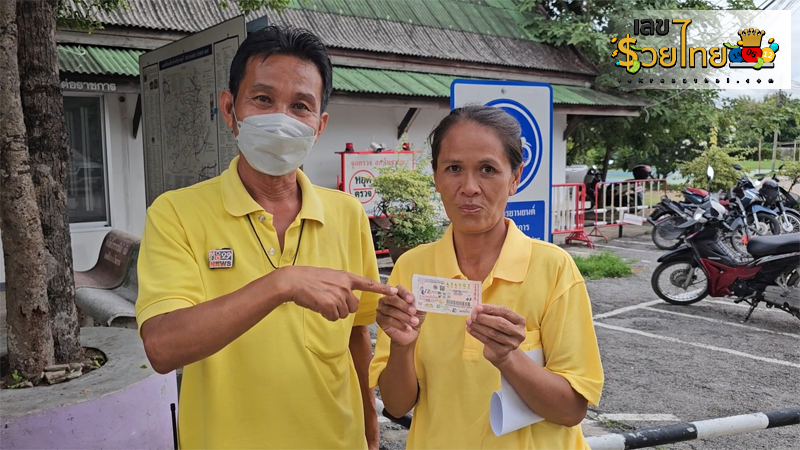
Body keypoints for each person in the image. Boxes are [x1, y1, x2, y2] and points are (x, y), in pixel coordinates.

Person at [135, 25, 396, 449]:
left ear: (320, 124)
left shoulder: (347, 213)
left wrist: (370, 426)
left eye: (300, 106)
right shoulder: (175, 214)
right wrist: (282, 284)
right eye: (262, 99)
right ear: (228, 109)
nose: (281, 119)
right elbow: (162, 347)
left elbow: (356, 335)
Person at [368, 105, 604, 449]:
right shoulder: (412, 269)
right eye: (453, 168)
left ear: (515, 177)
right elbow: (397, 404)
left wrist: (510, 357)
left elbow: (571, 410)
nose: (469, 187)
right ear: (435, 176)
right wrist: (403, 349)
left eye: (488, 169)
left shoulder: (553, 269)